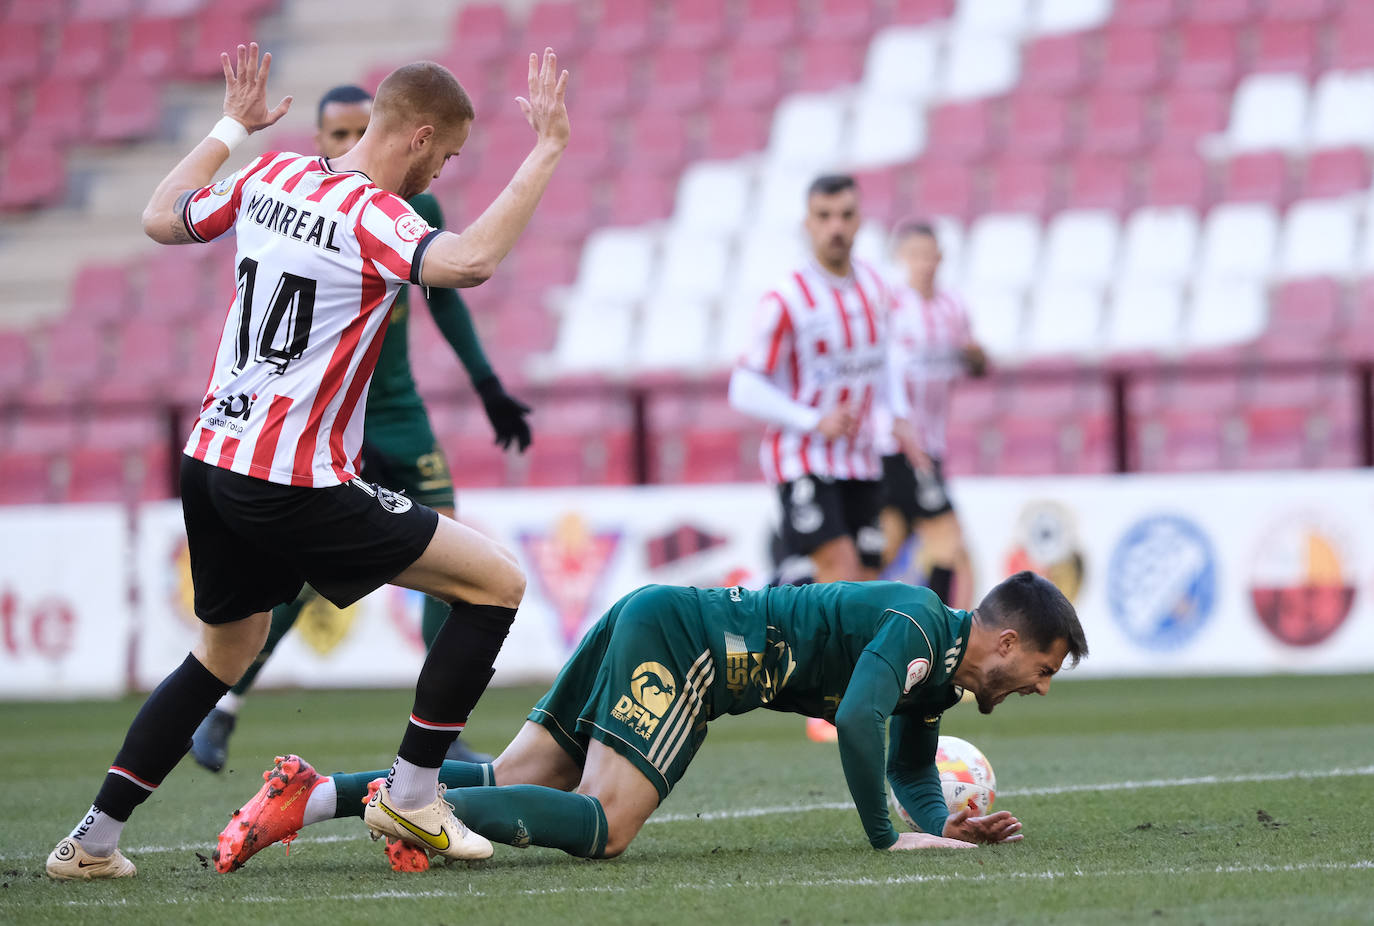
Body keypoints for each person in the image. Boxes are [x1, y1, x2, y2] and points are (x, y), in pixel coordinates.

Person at [45, 43, 571, 880]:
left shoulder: (274, 177)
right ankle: (411, 791)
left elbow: (159, 214)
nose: (440, 173)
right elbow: (468, 261)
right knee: (496, 583)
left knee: (225, 651)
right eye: (447, 155)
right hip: (292, 479)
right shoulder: (379, 215)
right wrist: (545, 151)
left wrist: (230, 126)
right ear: (419, 137)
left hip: (211, 460)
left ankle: (93, 841)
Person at [213, 571, 1087, 872]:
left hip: (656, 615)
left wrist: (945, 829)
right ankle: (411, 813)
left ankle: (313, 796)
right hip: (688, 642)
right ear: (1007, 641)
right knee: (604, 827)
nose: (1040, 687)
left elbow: (907, 771)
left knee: (518, 785)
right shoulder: (918, 625)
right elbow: (861, 722)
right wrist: (885, 842)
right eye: (1043, 670)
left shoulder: (936, 679)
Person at [189, 83, 535, 774]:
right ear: (322, 140)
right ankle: (228, 701)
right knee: (294, 573)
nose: (347, 145)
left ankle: (441, 725)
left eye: (357, 131)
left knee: (453, 547)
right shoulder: (306, 197)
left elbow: (451, 293)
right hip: (310, 422)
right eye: (336, 134)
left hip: (397, 412)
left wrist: (487, 385)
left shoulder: (411, 204)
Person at [729, 174, 921, 588]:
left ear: (859, 221)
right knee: (841, 568)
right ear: (808, 224)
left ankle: (782, 586)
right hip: (804, 456)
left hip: (862, 457)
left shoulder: (875, 287)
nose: (836, 226)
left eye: (845, 215)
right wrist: (812, 419)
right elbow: (743, 387)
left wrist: (900, 415)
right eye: (824, 216)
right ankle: (775, 595)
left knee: (865, 581)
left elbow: (886, 354)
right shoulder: (786, 299)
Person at [878, 221, 987, 610]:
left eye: (930, 255)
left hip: (930, 446)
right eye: (916, 255)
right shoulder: (889, 307)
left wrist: (977, 357)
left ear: (940, 258)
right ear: (901, 258)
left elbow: (974, 363)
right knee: (948, 540)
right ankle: (940, 634)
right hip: (897, 445)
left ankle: (837, 618)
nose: (925, 263)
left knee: (883, 547)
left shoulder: (954, 307)